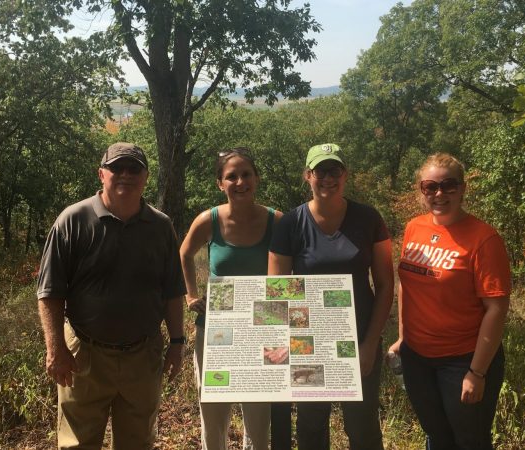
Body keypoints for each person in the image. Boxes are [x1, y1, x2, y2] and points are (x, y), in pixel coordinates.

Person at [36, 142, 187, 449]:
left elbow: (172, 291)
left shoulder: (161, 226)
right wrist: (56, 349)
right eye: (117, 168)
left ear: (145, 177)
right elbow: (50, 292)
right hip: (84, 354)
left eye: (134, 169)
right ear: (101, 174)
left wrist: (177, 342)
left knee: (138, 441)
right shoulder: (72, 221)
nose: (125, 175)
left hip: (142, 356)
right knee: (77, 443)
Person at [268, 143, 395, 450]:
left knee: (362, 425)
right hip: (307, 343)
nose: (328, 178)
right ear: (307, 175)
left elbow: (386, 285)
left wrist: (369, 345)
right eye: (320, 171)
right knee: (311, 426)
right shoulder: (291, 223)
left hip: (360, 339)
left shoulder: (368, 219)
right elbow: (276, 289)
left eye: (334, 170)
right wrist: (280, 345)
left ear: (345, 174)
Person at [388, 152, 511, 450]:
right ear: (421, 190)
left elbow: (496, 308)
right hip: (418, 358)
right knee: (437, 435)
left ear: (463, 188)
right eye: (430, 187)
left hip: (463, 360)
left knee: (470, 440)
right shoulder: (414, 228)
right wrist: (403, 337)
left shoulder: (483, 238)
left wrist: (477, 372)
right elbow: (406, 283)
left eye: (449, 185)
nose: (439, 194)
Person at [180, 147, 283, 450]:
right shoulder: (209, 220)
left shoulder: (277, 220)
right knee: (213, 411)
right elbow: (184, 253)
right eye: (231, 176)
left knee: (258, 415)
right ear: (220, 184)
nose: (240, 182)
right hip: (217, 328)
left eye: (246, 174)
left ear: (257, 178)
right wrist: (191, 295)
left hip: (263, 327)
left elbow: (291, 269)